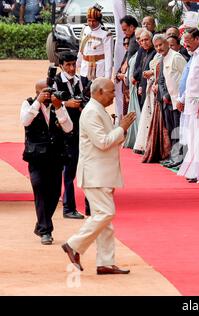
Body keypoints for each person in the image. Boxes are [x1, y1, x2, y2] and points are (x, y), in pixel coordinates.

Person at [61, 78, 136, 274]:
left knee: (105, 223)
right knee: (105, 214)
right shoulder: (91, 112)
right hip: (95, 174)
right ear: (99, 92)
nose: (114, 95)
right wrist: (122, 128)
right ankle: (73, 245)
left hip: (102, 173)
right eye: (111, 92)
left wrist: (120, 129)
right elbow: (102, 142)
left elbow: (111, 141)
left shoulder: (98, 110)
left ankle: (105, 262)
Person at [21, 79, 73, 245]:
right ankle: (46, 230)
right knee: (39, 189)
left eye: (50, 91)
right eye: (45, 92)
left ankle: (40, 224)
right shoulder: (28, 104)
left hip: (56, 156)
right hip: (36, 156)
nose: (49, 95)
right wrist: (38, 102)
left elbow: (69, 128)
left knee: (54, 194)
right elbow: (25, 121)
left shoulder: (58, 105)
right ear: (37, 92)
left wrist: (59, 108)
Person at [54, 51, 89, 219]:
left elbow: (90, 99)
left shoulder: (83, 81)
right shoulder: (55, 82)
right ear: (61, 66)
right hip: (64, 133)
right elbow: (49, 104)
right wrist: (65, 103)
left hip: (83, 130)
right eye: (68, 65)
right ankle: (68, 208)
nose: (72, 68)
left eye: (74, 64)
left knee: (87, 168)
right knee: (69, 171)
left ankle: (90, 207)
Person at [177, 28, 199, 183]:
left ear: (197, 39)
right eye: (184, 41)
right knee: (192, 138)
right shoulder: (195, 55)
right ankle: (194, 171)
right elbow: (190, 81)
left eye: (188, 40)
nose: (186, 44)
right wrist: (182, 99)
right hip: (190, 102)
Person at [152, 34, 187, 168]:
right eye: (156, 46)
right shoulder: (162, 59)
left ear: (167, 43)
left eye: (161, 44)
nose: (159, 48)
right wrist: (164, 95)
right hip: (167, 102)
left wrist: (180, 98)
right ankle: (174, 157)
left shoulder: (176, 57)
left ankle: (181, 159)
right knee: (172, 131)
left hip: (179, 102)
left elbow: (186, 78)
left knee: (179, 131)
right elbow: (161, 80)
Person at [77, 4, 113, 86]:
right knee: (84, 94)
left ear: (99, 20)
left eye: (94, 21)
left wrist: (107, 77)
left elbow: (109, 57)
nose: (91, 23)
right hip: (84, 68)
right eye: (89, 20)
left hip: (98, 70)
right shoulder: (85, 29)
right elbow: (81, 49)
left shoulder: (106, 33)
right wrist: (77, 64)